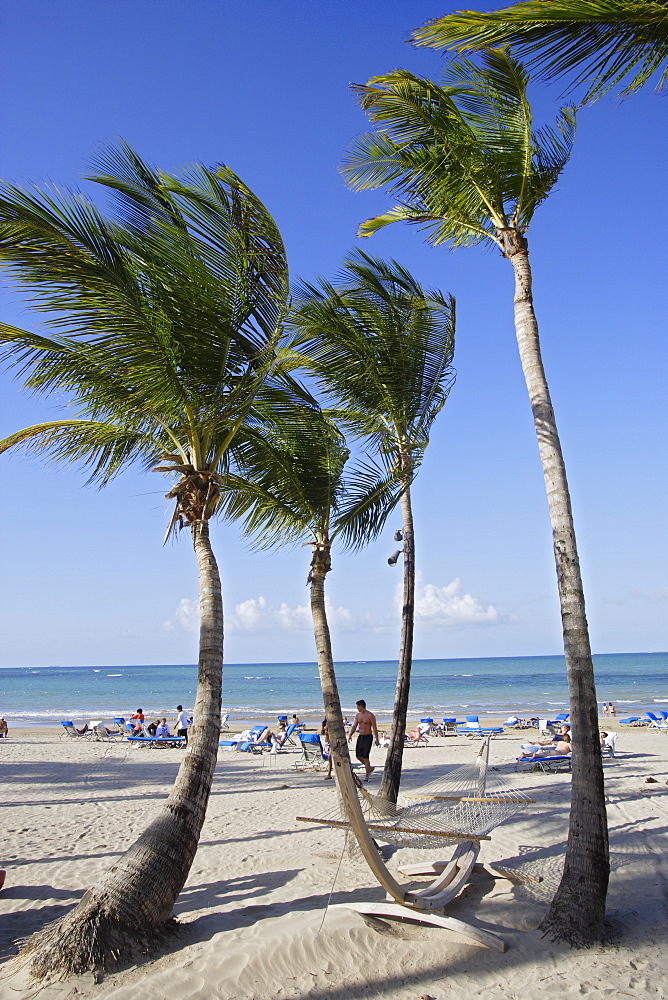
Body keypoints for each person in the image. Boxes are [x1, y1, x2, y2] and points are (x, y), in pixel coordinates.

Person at [348, 699, 379, 780]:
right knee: (358, 756)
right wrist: (350, 735)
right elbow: (354, 726)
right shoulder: (358, 715)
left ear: (361, 706)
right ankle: (369, 767)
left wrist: (377, 739)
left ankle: (367, 776)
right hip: (360, 736)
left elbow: (374, 728)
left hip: (368, 737)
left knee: (365, 757)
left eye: (358, 706)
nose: (357, 708)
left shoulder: (370, 715)